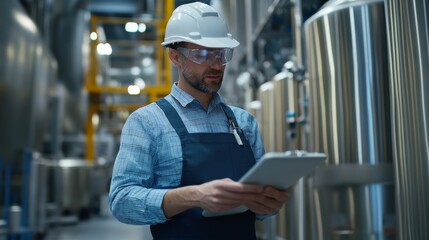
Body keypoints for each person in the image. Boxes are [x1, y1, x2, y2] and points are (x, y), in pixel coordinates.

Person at [109, 2, 290, 239]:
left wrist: (269, 204)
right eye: (202, 54)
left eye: (221, 54)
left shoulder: (244, 123)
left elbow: (261, 212)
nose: (216, 64)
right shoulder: (147, 122)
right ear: (175, 57)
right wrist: (194, 196)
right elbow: (121, 201)